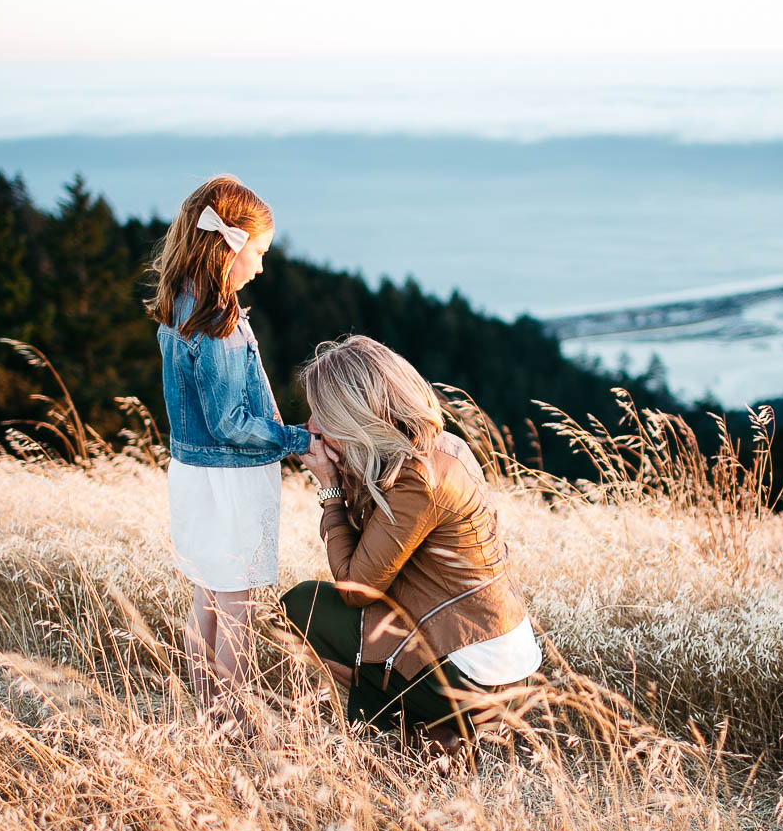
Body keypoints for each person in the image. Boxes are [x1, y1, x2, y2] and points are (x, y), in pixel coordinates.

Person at [281, 336, 541, 748]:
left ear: (354, 417)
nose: (311, 424)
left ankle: (416, 728)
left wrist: (330, 488)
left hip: (473, 675)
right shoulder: (438, 449)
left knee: (302, 606)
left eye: (321, 413)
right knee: (336, 618)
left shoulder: (416, 480)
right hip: (498, 658)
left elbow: (356, 589)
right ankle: (434, 731)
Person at [149, 175, 311, 723]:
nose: (261, 267)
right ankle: (235, 722)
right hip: (231, 479)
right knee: (235, 605)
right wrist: (298, 439)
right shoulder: (217, 319)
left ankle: (205, 712)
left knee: (207, 599)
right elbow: (229, 422)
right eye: (259, 252)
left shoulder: (180, 305)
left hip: (191, 474)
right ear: (231, 245)